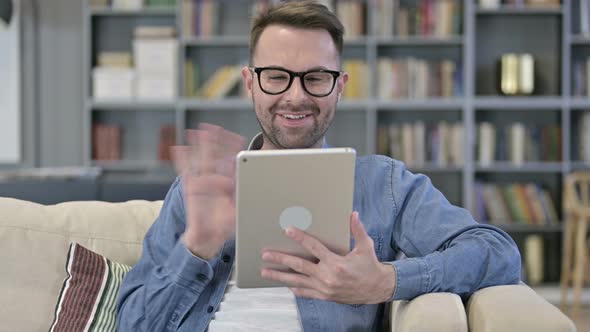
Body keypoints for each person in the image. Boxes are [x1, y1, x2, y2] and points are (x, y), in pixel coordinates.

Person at [116, 1, 521, 331]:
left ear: (340, 86)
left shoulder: (385, 185)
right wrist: (196, 248)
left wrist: (385, 281)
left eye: (315, 78)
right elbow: (132, 325)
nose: (295, 96)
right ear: (250, 82)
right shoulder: (202, 188)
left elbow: (497, 253)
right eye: (276, 77)